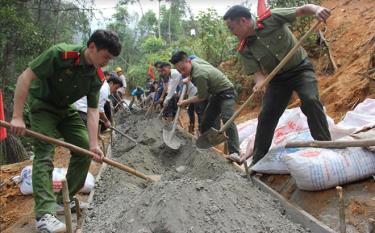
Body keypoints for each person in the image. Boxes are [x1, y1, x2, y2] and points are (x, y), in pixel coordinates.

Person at [10, 29, 121, 232]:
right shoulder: (61, 54)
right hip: (42, 106)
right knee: (44, 154)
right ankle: (44, 215)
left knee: (84, 150)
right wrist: (17, 116)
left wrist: (94, 144)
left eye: (110, 59)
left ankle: (62, 200)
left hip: (65, 110)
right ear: (92, 47)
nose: (107, 62)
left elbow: (93, 110)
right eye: (105, 56)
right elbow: (24, 78)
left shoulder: (96, 77)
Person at [223, 5, 332, 165]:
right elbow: (258, 73)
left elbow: (302, 10)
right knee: (266, 115)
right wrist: (259, 83)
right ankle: (258, 159)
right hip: (278, 79)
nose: (232, 33)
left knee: (310, 100)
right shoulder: (244, 48)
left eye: (232, 28)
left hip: (300, 69)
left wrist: (317, 10)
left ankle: (325, 145)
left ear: (243, 21)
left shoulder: (271, 18)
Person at [170, 51, 240, 157]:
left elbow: (202, 97)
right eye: (179, 71)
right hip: (216, 94)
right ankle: (206, 146)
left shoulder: (199, 75)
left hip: (227, 92)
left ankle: (235, 153)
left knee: (227, 120)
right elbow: (200, 66)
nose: (182, 73)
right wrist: (188, 77)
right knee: (206, 120)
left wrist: (185, 101)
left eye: (183, 69)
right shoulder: (194, 61)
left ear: (188, 61)